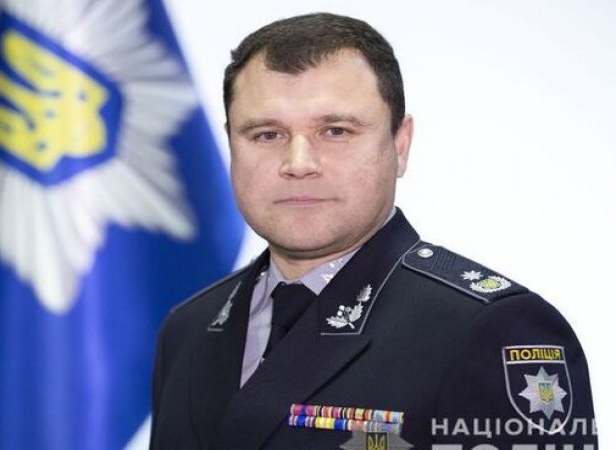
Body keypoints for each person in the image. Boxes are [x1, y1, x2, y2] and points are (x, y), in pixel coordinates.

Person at [149, 13, 598, 450]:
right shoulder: (188, 328)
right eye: (267, 134)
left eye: (336, 131)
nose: (298, 163)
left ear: (400, 145)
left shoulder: (492, 330)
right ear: (231, 143)